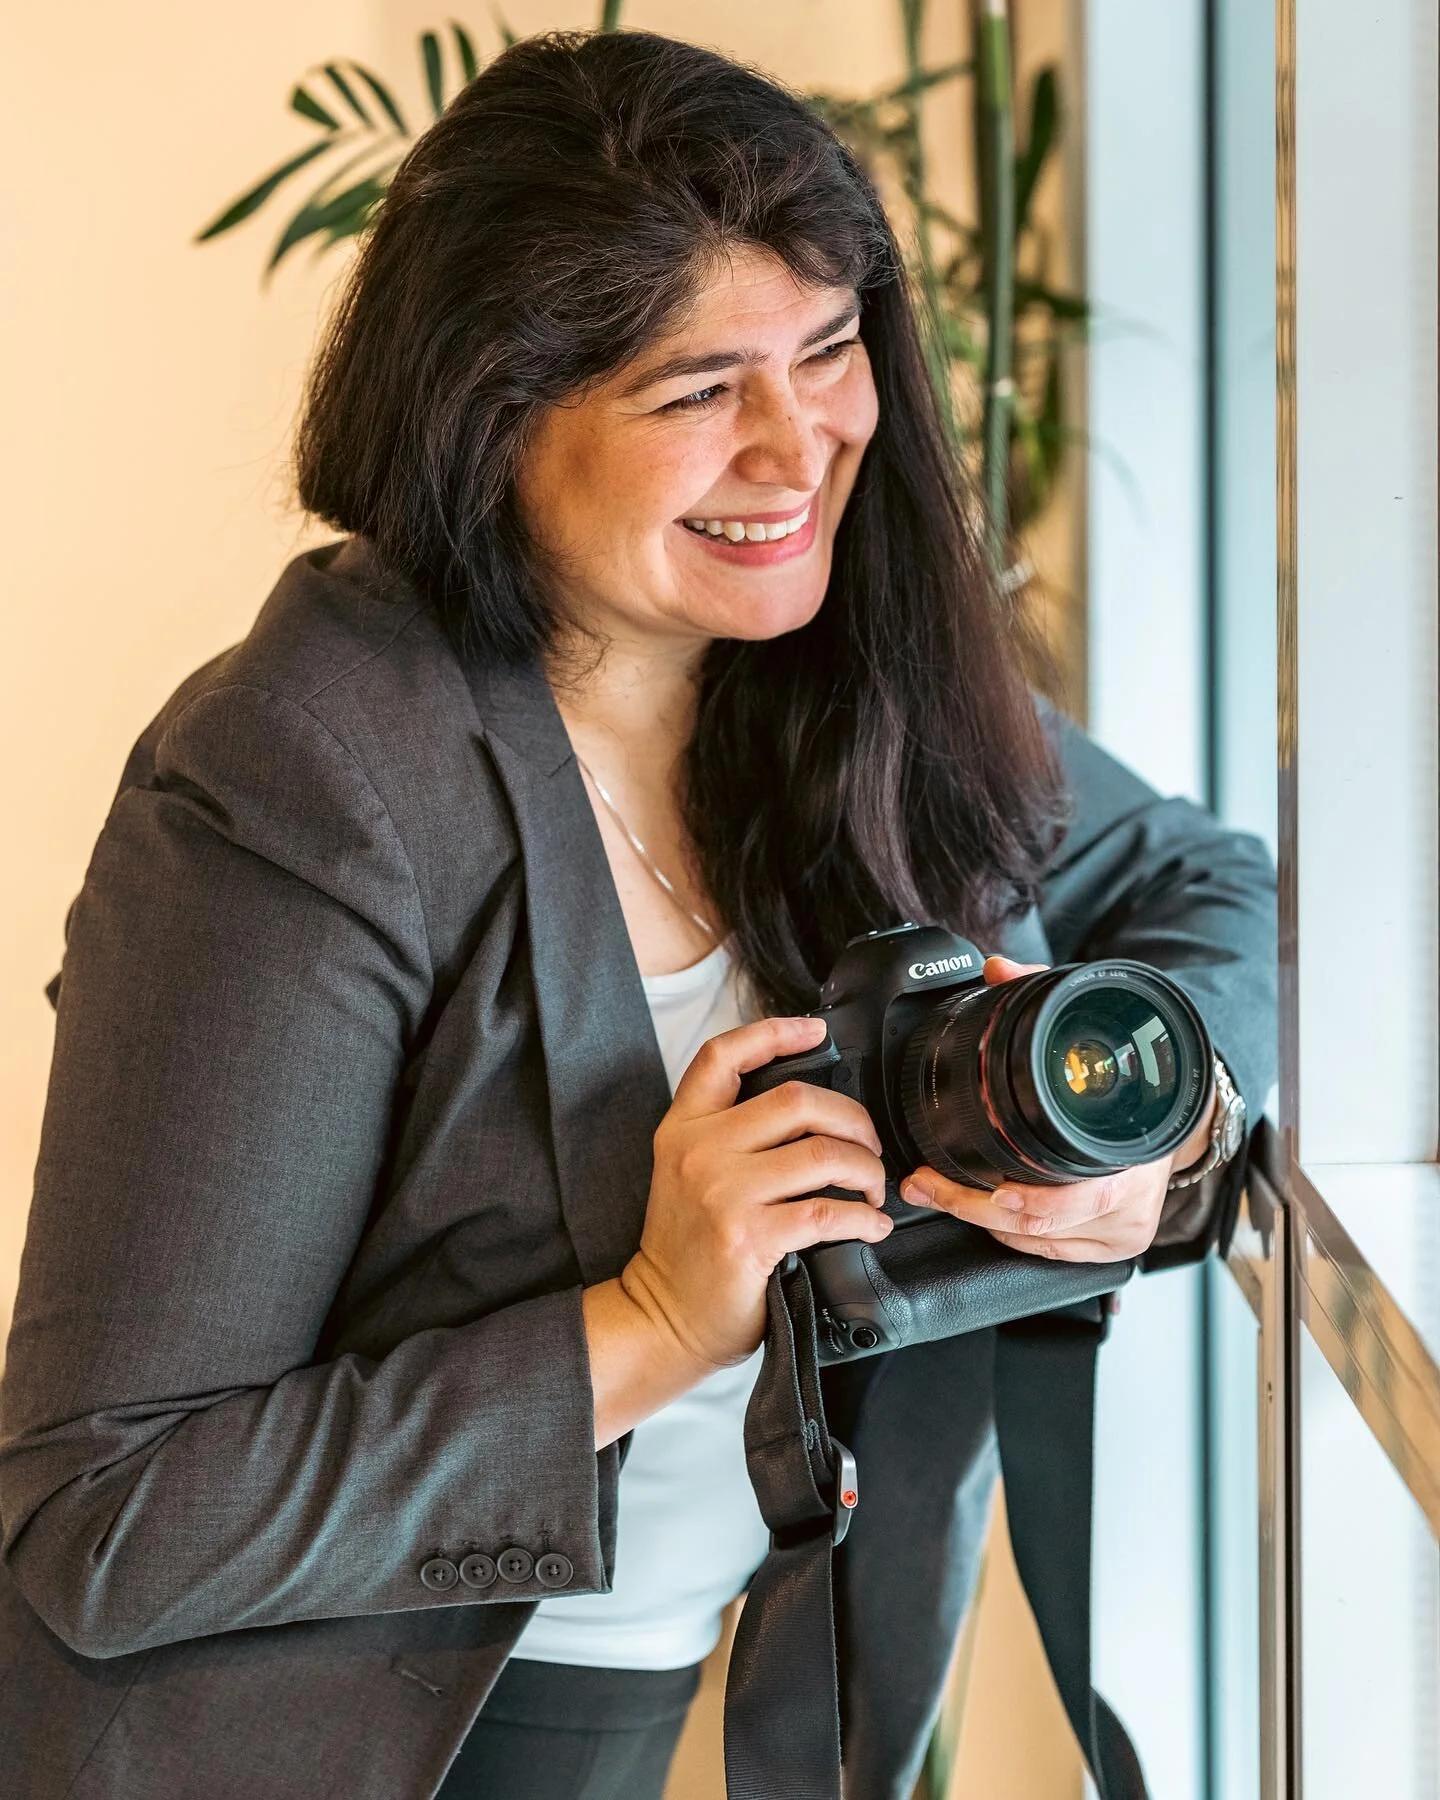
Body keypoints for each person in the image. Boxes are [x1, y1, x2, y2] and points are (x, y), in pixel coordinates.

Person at [0, 29, 1276, 1800]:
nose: (798, 446)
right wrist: (659, 1318)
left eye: (830, 351)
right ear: (492, 408)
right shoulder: (299, 782)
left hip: (721, 1681)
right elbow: (108, 1515)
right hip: (334, 1742)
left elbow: (1209, 882)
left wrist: (1169, 1127)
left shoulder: (838, 672)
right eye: (696, 392)